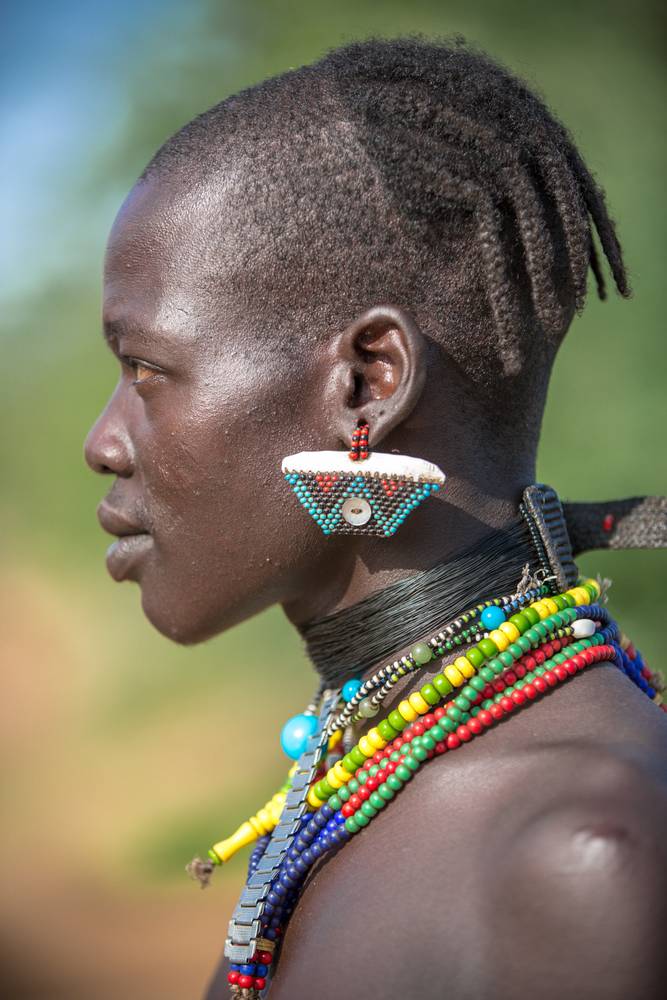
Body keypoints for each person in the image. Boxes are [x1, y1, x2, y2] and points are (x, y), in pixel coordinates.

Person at [84, 38, 667, 1000]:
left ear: (366, 384)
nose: (103, 442)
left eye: (146, 370)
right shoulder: (371, 773)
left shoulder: (584, 866)